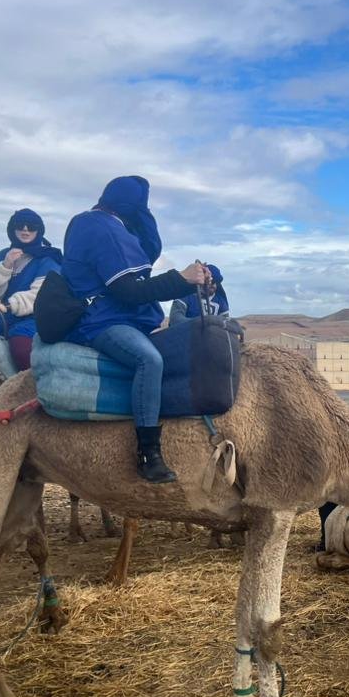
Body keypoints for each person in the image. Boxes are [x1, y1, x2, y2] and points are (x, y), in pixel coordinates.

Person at [62, 175, 209, 484]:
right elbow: (128, 291)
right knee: (149, 360)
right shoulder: (99, 228)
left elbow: (145, 260)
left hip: (125, 316)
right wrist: (181, 279)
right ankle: (148, 453)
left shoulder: (111, 225)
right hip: (102, 320)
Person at [0, 208, 63, 371]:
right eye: (20, 225)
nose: (25, 229)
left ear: (39, 230)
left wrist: (9, 306)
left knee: (21, 350)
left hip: (34, 320)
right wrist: (6, 265)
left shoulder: (48, 259)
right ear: (12, 229)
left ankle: (33, 390)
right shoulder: (4, 256)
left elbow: (40, 296)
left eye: (31, 226)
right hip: (4, 319)